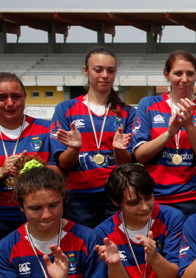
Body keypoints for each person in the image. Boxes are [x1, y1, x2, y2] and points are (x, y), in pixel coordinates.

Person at [0, 72, 56, 268]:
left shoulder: (46, 129)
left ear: (24, 96)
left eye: (16, 96)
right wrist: (1, 171)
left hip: (37, 218)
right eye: (1, 98)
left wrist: (38, 170)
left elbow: (61, 172)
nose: (9, 103)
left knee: (38, 268)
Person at [51, 47, 135, 228]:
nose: (104, 75)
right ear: (86, 71)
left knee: (115, 247)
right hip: (78, 197)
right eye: (98, 70)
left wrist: (118, 150)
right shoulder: (66, 109)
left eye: (110, 70)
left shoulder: (127, 112)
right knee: (81, 248)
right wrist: (74, 149)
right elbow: (63, 164)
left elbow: (127, 163)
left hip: (116, 194)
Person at [131, 51, 196, 218]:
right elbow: (140, 156)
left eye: (190, 74)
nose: (184, 79)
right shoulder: (149, 105)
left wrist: (189, 126)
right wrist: (169, 133)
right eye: (178, 73)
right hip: (155, 196)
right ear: (167, 74)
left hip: (194, 197)